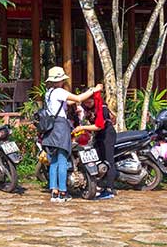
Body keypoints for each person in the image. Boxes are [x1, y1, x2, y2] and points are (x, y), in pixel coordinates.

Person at [42, 67, 101, 202]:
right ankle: (63, 192)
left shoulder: (49, 93)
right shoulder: (59, 91)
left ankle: (54, 192)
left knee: (54, 161)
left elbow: (69, 101)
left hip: (51, 128)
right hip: (61, 127)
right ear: (60, 80)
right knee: (62, 159)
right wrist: (94, 90)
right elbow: (78, 98)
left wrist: (79, 99)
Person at [74, 85, 117, 199]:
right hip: (98, 136)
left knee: (108, 161)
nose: (87, 104)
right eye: (85, 102)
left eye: (89, 102)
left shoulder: (102, 108)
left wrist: (82, 128)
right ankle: (101, 184)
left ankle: (110, 189)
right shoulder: (85, 106)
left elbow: (99, 126)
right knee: (99, 159)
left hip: (107, 134)